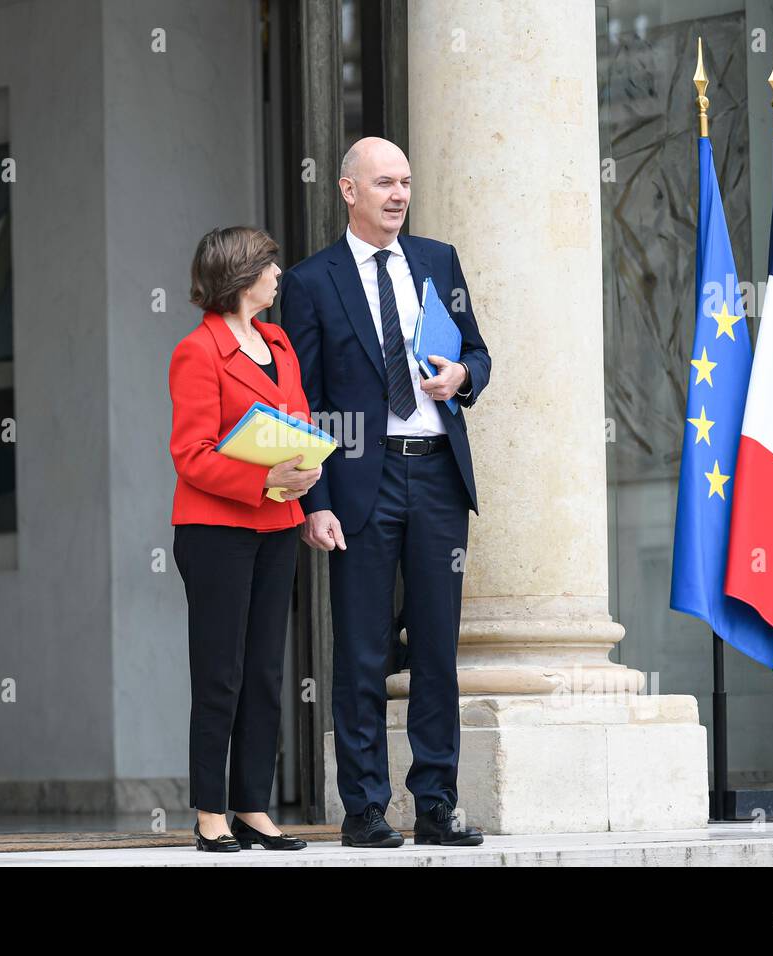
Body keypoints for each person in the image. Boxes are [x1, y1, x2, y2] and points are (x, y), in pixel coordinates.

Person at [279, 137, 491, 847]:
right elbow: (301, 401)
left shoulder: (438, 261)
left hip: (436, 473)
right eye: (383, 184)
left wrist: (461, 377)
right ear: (347, 191)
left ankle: (436, 804)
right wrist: (315, 500)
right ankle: (365, 808)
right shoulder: (311, 282)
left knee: (435, 648)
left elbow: (479, 354)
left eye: (405, 183)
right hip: (360, 481)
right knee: (363, 650)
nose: (398, 195)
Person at [168, 226, 318, 852]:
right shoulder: (197, 351)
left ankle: (254, 806)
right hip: (216, 530)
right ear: (239, 275)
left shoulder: (278, 342)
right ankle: (210, 812)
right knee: (220, 673)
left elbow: (300, 415)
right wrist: (264, 476)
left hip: (278, 523)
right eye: (269, 265)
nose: (279, 274)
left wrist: (307, 463)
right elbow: (190, 454)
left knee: (264, 671)